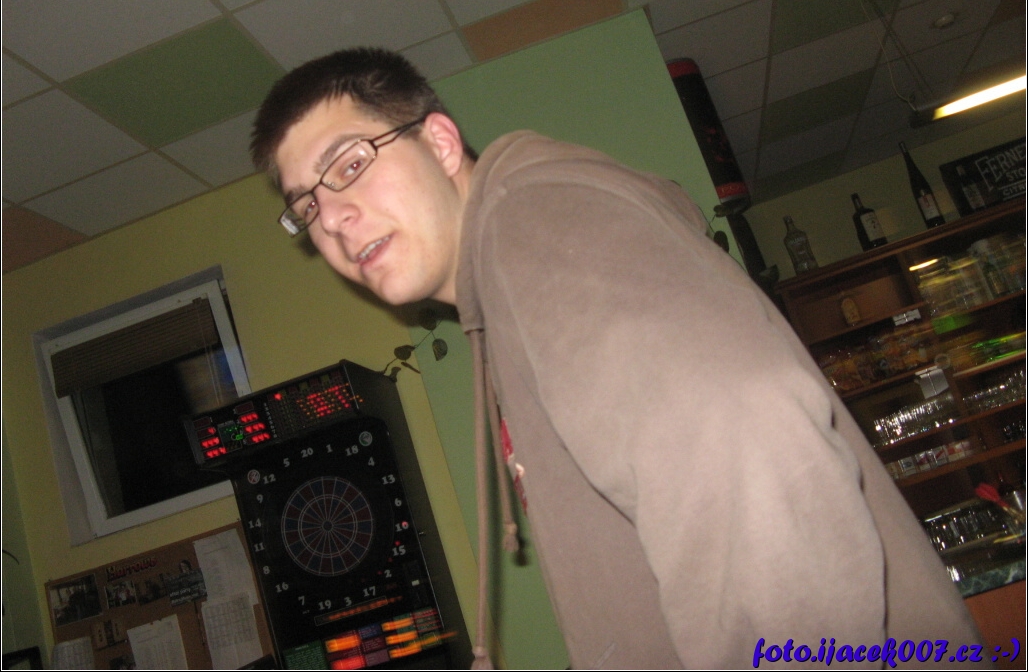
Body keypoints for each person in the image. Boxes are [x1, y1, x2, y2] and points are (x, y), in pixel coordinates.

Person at [251, 48, 981, 668]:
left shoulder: (530, 222)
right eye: (306, 206)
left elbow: (736, 426)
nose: (333, 218)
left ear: (440, 143)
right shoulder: (503, 284)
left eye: (350, 164)